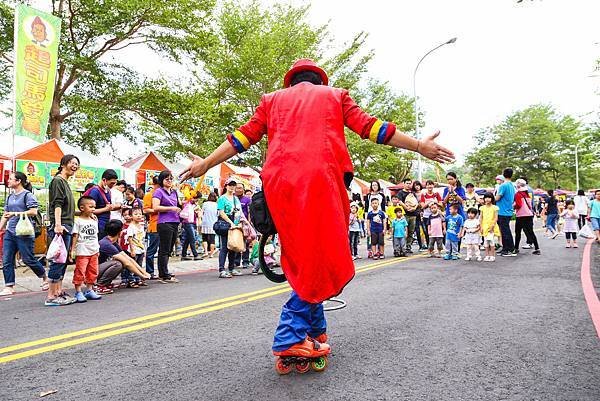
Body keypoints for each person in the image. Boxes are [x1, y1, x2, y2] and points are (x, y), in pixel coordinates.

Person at [179, 58, 454, 366]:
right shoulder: (335, 96)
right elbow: (373, 128)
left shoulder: (271, 101)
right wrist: (418, 146)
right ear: (320, 81)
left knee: (305, 256)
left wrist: (205, 164)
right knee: (323, 256)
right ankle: (289, 335)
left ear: (291, 83)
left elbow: (241, 138)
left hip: (280, 187)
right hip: (320, 183)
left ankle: (315, 328)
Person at [0, 172, 48, 296]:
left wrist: (14, 214)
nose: (8, 181)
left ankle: (44, 277)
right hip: (10, 232)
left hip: (24, 232)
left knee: (28, 259)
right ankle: (9, 285)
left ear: (18, 181)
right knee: (7, 259)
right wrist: (0, 228)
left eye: (11, 179)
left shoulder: (28, 195)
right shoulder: (10, 197)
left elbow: (33, 211)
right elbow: (5, 214)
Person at [45, 154, 80, 306]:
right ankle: (51, 296)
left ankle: (58, 291)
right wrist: (58, 224)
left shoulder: (65, 182)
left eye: (77, 164)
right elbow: (57, 205)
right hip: (62, 226)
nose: (75, 166)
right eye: (73, 163)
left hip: (67, 225)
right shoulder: (58, 181)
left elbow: (67, 207)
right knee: (58, 261)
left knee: (63, 261)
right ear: (64, 164)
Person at [96, 219, 151, 293]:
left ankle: (106, 283)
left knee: (120, 262)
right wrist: (141, 276)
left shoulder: (112, 242)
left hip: (98, 269)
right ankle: (100, 285)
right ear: (120, 232)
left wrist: (143, 272)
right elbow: (127, 263)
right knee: (118, 264)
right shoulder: (106, 244)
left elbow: (129, 259)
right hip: (93, 271)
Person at [69, 196, 102, 303]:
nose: (93, 209)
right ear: (82, 208)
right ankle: (78, 291)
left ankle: (89, 289)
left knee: (93, 271)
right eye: (91, 206)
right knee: (80, 271)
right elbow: (75, 235)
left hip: (94, 250)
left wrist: (97, 248)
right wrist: (72, 250)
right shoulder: (78, 221)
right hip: (82, 250)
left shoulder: (94, 220)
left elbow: (96, 235)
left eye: (94, 207)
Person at [152, 170, 181, 283]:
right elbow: (155, 207)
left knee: (169, 249)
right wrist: (171, 208)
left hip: (175, 221)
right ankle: (163, 274)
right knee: (164, 249)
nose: (169, 181)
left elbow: (178, 204)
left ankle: (165, 271)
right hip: (164, 222)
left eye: (170, 179)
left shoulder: (174, 192)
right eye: (166, 179)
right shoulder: (158, 192)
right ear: (162, 180)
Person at [86, 169, 121, 239]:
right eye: (111, 183)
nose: (113, 185)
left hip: (106, 225)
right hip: (97, 225)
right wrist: (106, 209)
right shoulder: (95, 192)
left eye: (114, 183)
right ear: (104, 180)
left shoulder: (107, 191)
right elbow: (89, 211)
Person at [513, 179, 541, 255]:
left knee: (518, 232)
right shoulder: (527, 194)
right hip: (529, 215)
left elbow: (518, 205)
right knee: (531, 232)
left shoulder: (518, 194)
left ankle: (516, 248)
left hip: (521, 215)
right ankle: (537, 248)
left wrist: (513, 207)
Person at [495, 168, 516, 256]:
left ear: (503, 174)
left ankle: (509, 249)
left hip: (502, 211)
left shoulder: (503, 186)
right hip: (508, 210)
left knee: (505, 231)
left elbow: (498, 197)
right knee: (505, 230)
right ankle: (505, 248)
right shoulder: (512, 185)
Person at [143, 177, 160, 279]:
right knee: (152, 250)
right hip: (154, 225)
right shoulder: (149, 195)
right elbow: (145, 210)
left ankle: (162, 270)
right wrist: (157, 209)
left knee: (163, 250)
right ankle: (150, 271)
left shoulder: (163, 194)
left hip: (164, 225)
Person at [397, 178, 419, 254]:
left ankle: (408, 246)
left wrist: (413, 208)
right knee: (404, 231)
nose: (408, 185)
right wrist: (407, 208)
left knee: (411, 231)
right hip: (404, 215)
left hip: (413, 215)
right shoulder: (400, 193)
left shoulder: (413, 193)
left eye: (410, 183)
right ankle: (402, 247)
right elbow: (400, 201)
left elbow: (417, 202)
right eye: (407, 183)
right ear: (404, 183)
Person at [126, 207, 147, 283]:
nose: (138, 216)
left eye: (140, 214)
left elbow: (142, 239)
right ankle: (131, 280)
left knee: (139, 264)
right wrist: (132, 250)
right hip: (134, 249)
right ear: (131, 216)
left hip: (140, 249)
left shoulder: (141, 226)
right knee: (132, 265)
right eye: (135, 214)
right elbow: (130, 239)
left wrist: (144, 249)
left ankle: (138, 278)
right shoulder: (131, 227)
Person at [234, 183, 252, 268]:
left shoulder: (247, 200)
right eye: (237, 188)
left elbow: (249, 212)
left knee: (246, 243)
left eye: (240, 188)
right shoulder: (232, 199)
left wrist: (248, 223)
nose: (238, 190)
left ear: (243, 189)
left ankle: (245, 261)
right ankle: (236, 261)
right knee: (236, 242)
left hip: (244, 224)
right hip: (235, 223)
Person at [420, 179, 442, 246]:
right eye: (428, 185)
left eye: (431, 184)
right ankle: (429, 247)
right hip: (426, 216)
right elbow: (422, 206)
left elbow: (441, 204)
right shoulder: (423, 195)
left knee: (437, 231)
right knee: (427, 232)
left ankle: (438, 247)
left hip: (436, 216)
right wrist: (429, 202)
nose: (430, 186)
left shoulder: (436, 194)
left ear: (433, 186)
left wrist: (435, 202)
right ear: (426, 186)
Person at [480, 193, 500, 262]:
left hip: (492, 226)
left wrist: (492, 226)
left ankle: (492, 255)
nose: (487, 199)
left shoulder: (495, 207)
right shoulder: (482, 208)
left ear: (492, 199)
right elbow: (481, 218)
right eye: (486, 197)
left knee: (491, 241)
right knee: (485, 242)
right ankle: (487, 255)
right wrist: (481, 226)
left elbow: (496, 218)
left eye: (489, 197)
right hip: (484, 226)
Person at [180, 195, 201, 261]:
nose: (197, 200)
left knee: (188, 239)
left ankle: (183, 255)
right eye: (196, 198)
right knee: (192, 238)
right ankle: (195, 255)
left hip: (192, 222)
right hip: (188, 222)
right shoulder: (187, 203)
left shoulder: (194, 204)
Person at [200, 192, 219, 258]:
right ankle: (211, 254)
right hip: (213, 222)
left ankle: (205, 252)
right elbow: (218, 214)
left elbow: (202, 212)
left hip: (205, 222)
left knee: (204, 237)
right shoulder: (217, 205)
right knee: (212, 239)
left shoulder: (205, 204)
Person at [412, 181, 427, 251]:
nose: (417, 187)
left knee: (425, 229)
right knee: (417, 230)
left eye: (418, 185)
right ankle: (420, 245)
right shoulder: (412, 194)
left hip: (424, 212)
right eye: (415, 185)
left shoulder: (424, 193)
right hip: (416, 213)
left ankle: (427, 244)